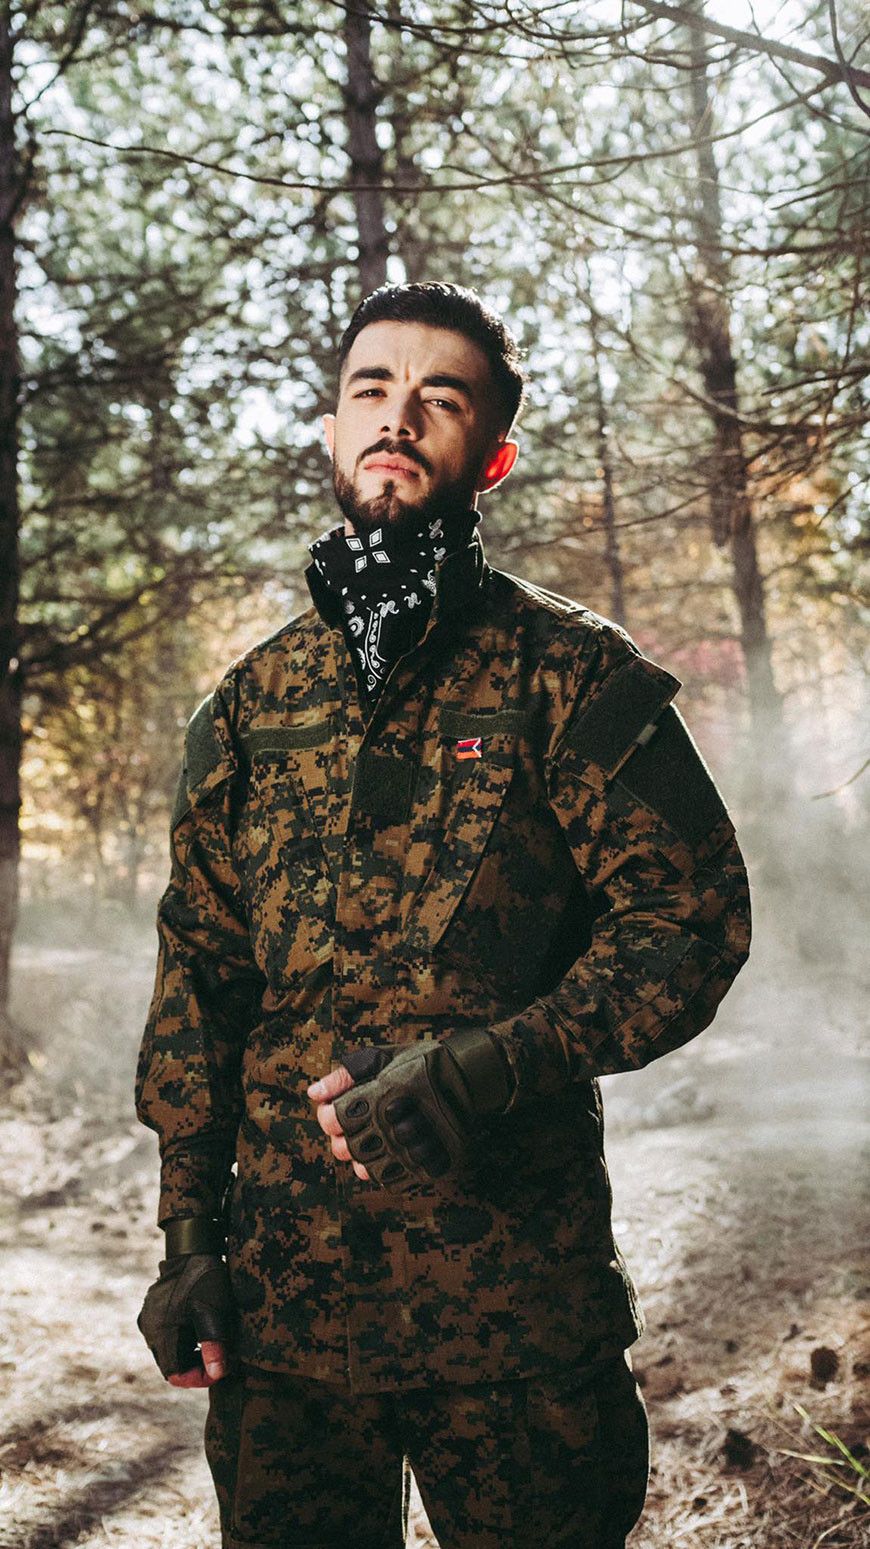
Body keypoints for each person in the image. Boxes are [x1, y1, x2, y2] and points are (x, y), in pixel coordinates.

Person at [136, 282, 751, 1549]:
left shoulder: (569, 673)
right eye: (372, 389)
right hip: (288, 1326)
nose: (399, 417)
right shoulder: (250, 704)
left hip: (516, 1313)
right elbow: (200, 980)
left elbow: (687, 921)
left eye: (442, 398)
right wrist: (188, 1235)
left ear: (494, 456)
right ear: (331, 430)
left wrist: (484, 1066)